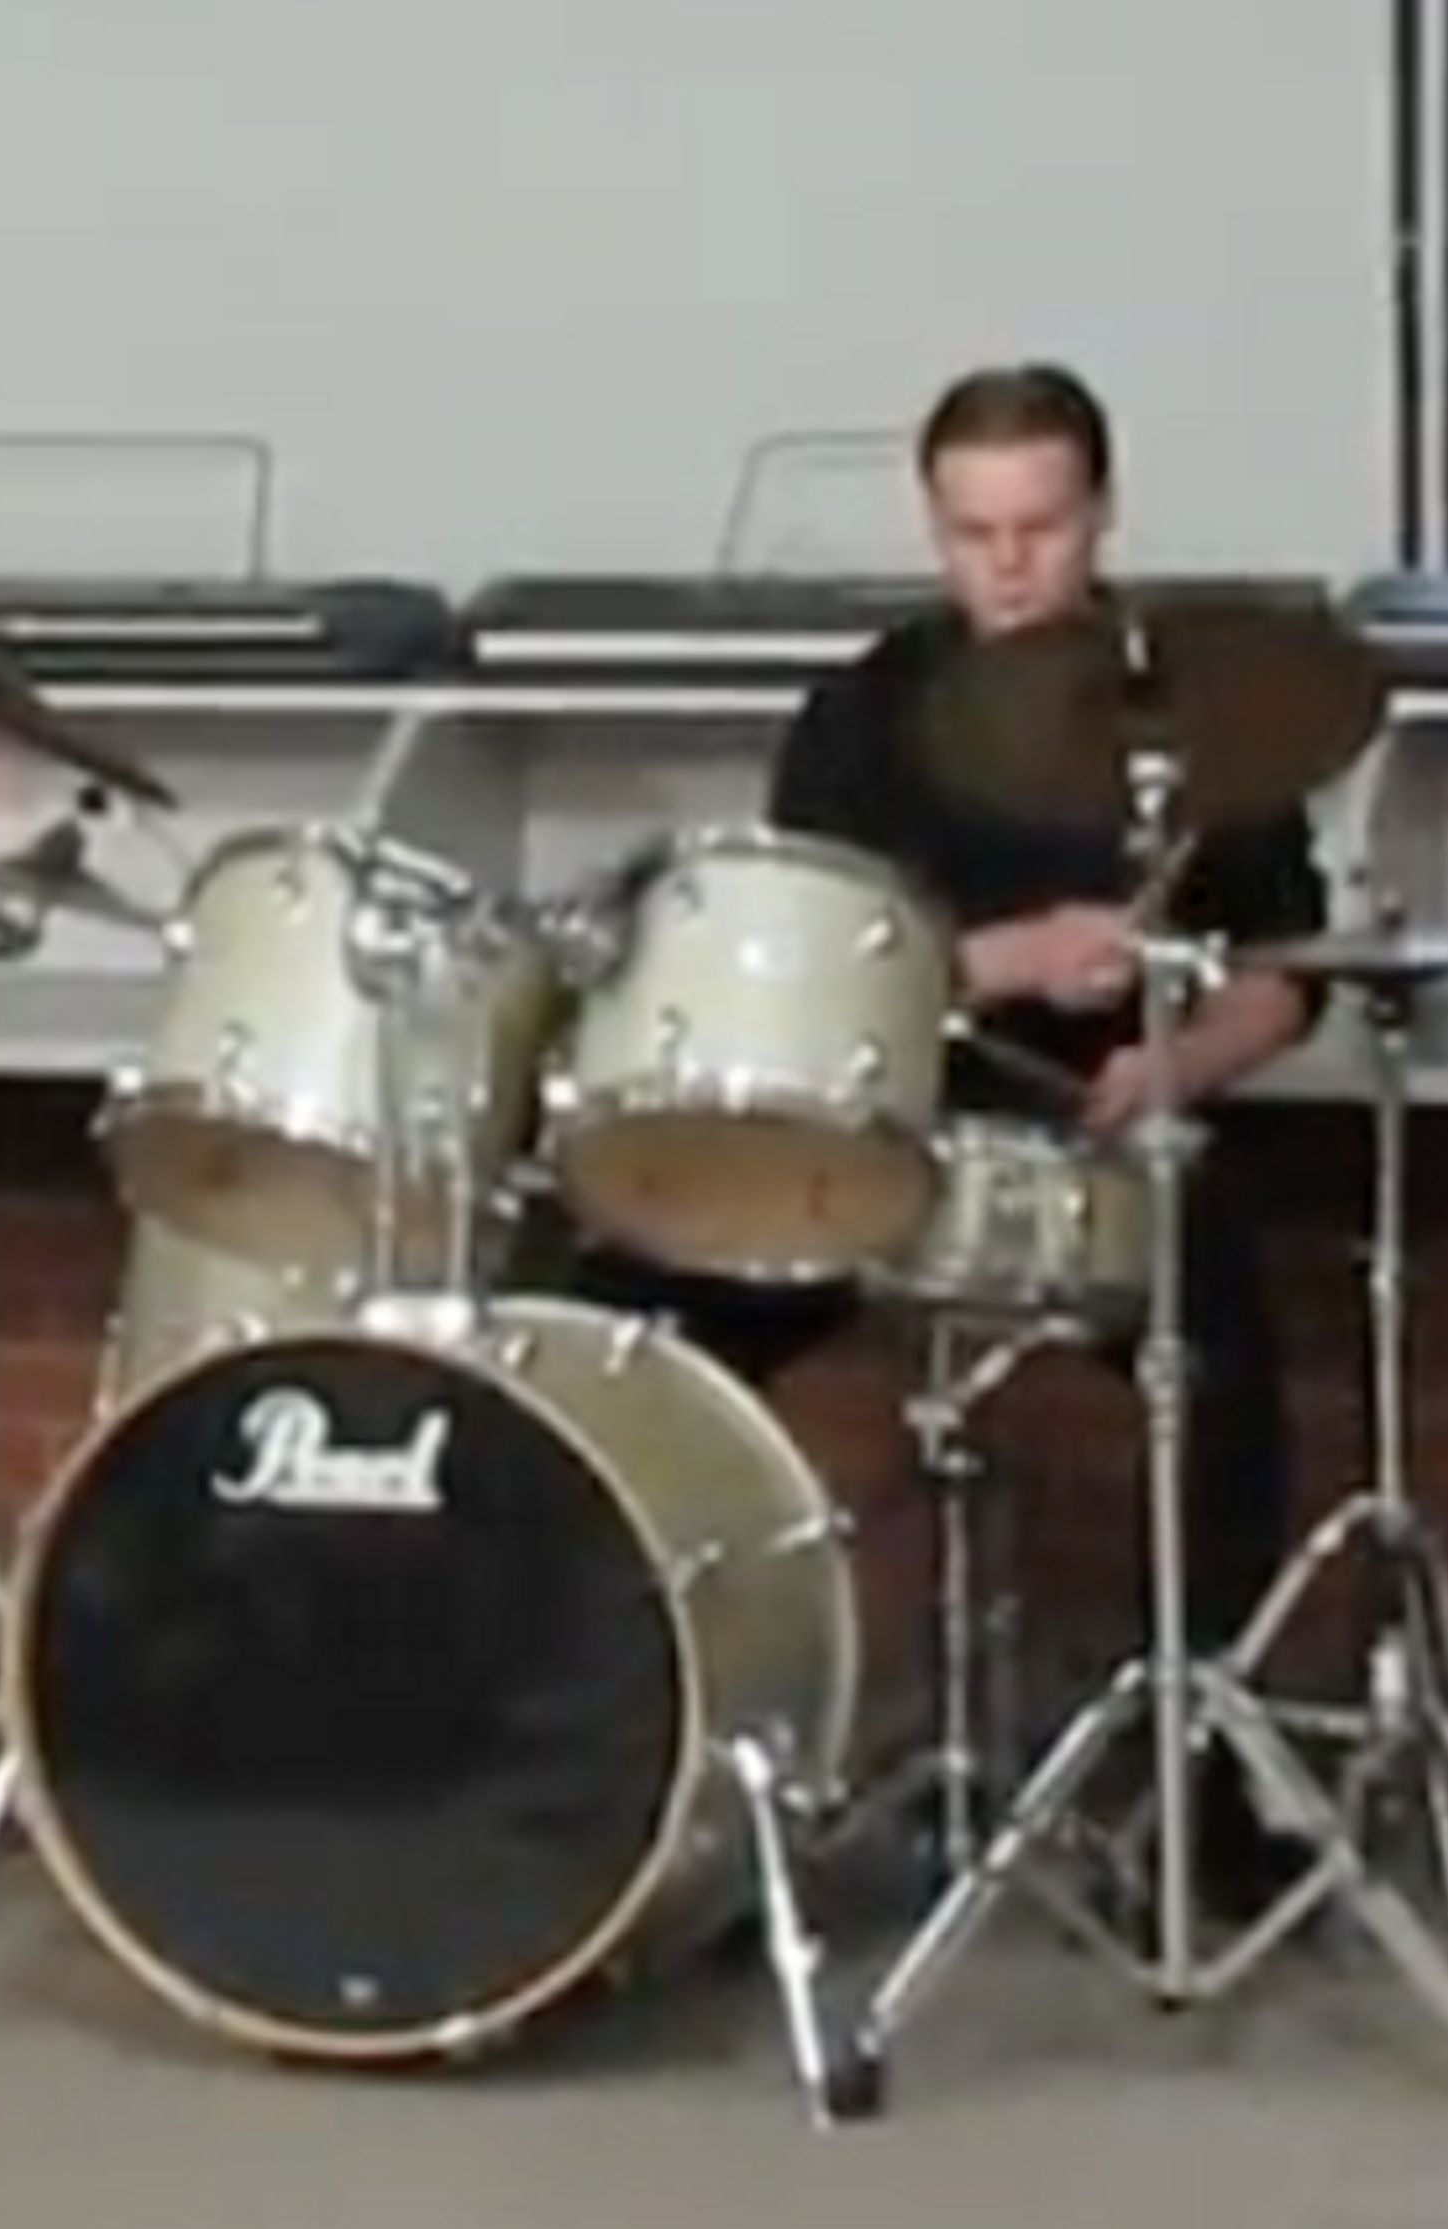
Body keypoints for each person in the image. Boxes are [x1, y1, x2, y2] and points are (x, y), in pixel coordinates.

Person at [561, 363, 1330, 1915]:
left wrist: (1182, 1061)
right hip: (873, 1129)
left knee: (1224, 1361)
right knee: (620, 1325)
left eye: (1040, 527)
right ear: (935, 527)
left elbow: (1292, 972)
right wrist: (1004, 958)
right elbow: (799, 965)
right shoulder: (864, 714)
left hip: (1099, 1140)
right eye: (976, 532)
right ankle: (629, 1777)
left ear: (1099, 517)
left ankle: (1209, 1795)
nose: (1010, 563)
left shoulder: (1202, 716)